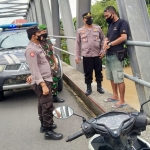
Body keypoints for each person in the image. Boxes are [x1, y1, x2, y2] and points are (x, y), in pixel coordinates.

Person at [25, 25, 63, 140]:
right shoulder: (31, 50)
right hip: (43, 82)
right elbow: (35, 68)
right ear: (33, 36)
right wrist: (42, 84)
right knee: (47, 105)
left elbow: (37, 67)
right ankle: (49, 131)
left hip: (46, 79)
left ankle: (43, 125)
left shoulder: (38, 46)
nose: (41, 34)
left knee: (42, 104)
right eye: (39, 33)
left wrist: (32, 76)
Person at [27, 24, 65, 103]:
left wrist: (55, 62)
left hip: (50, 63)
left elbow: (51, 52)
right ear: (34, 35)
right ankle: (48, 97)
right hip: (43, 67)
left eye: (44, 31)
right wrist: (32, 74)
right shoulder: (35, 45)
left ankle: (54, 96)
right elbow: (34, 63)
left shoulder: (47, 40)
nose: (43, 33)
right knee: (46, 87)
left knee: (55, 79)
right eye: (41, 32)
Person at [103, 6, 129, 108]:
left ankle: (122, 100)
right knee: (111, 77)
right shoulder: (110, 25)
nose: (106, 18)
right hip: (108, 54)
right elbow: (108, 37)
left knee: (119, 78)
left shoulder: (122, 23)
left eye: (107, 15)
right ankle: (115, 95)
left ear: (113, 13)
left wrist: (110, 44)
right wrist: (105, 42)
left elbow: (123, 37)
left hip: (117, 54)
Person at [75, 12, 105, 96]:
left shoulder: (98, 28)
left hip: (97, 54)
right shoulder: (80, 31)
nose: (89, 20)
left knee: (99, 71)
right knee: (88, 72)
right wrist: (77, 56)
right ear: (83, 20)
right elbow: (77, 43)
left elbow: (103, 40)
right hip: (87, 55)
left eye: (90, 18)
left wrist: (103, 51)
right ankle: (89, 88)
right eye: (87, 18)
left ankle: (99, 87)